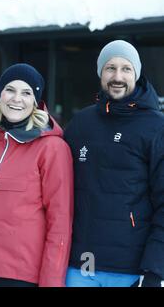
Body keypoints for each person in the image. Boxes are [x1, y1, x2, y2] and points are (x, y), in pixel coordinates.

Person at [0, 63, 74, 287]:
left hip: (24, 277)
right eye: (10, 89)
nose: (16, 99)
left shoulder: (52, 149)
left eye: (26, 92)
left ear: (36, 102)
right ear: (0, 94)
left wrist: (51, 282)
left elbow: (60, 224)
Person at [64, 40, 164, 287]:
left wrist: (154, 269)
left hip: (130, 270)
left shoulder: (156, 127)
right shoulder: (81, 123)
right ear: (100, 73)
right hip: (81, 266)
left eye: (126, 69)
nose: (117, 76)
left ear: (136, 74)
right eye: (110, 68)